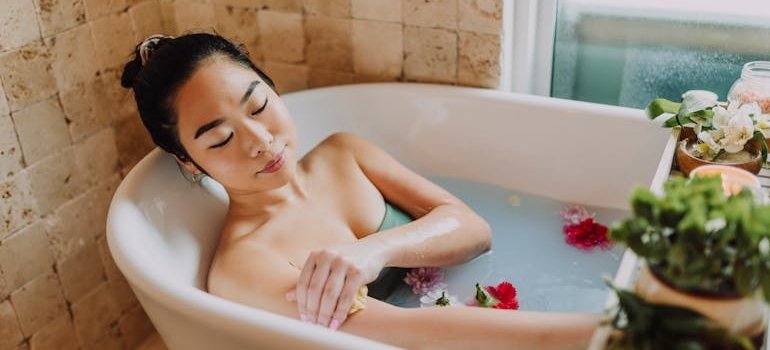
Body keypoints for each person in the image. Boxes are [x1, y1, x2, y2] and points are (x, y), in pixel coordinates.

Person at [121, 32, 599, 349]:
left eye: (260, 105)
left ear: (273, 87)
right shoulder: (246, 267)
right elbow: (405, 335)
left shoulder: (343, 154)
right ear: (187, 160)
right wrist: (610, 334)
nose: (261, 141)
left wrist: (376, 250)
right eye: (220, 139)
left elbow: (475, 229)